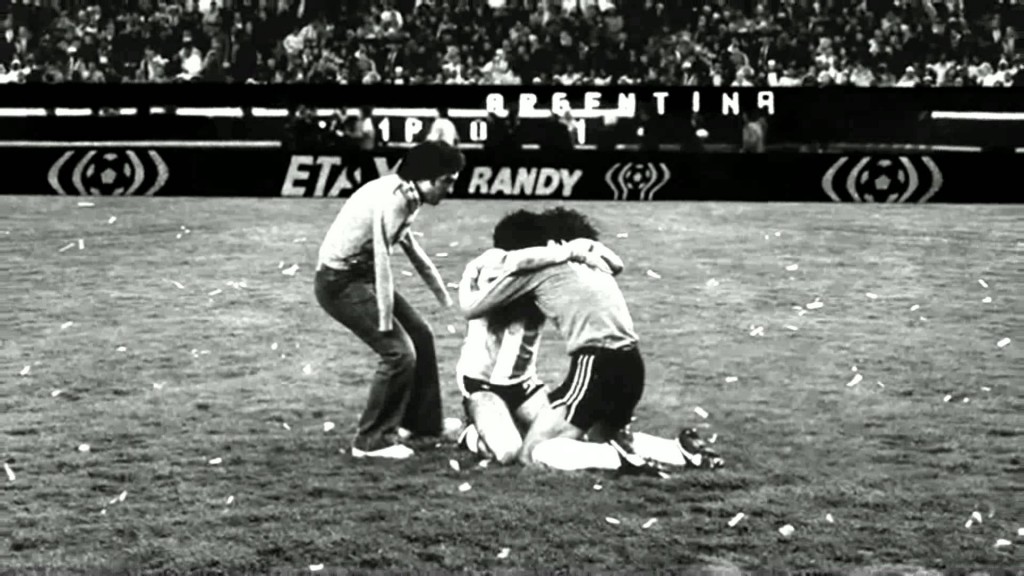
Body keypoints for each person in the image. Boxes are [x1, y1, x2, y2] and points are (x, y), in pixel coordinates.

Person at [460, 208, 724, 474]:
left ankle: (617, 459)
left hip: (597, 363)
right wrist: (580, 248)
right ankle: (679, 451)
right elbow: (617, 265)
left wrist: (474, 271)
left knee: (532, 452)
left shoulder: (535, 269)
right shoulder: (592, 263)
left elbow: (472, 306)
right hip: (633, 365)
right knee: (597, 435)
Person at [313, 140, 465, 460]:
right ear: (426, 178)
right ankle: (371, 441)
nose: (451, 188)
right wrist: (384, 318)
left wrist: (439, 291)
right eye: (447, 181)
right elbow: (383, 260)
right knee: (399, 353)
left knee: (421, 335)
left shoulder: (407, 193)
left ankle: (423, 424)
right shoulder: (394, 200)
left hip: (358, 276)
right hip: (340, 281)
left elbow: (409, 247)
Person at [455, 232, 624, 465]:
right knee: (508, 453)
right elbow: (511, 264)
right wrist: (569, 252)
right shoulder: (494, 264)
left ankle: (508, 423)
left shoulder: (547, 271)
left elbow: (614, 266)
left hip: (523, 386)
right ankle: (471, 434)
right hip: (482, 386)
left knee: (560, 440)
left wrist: (585, 247)